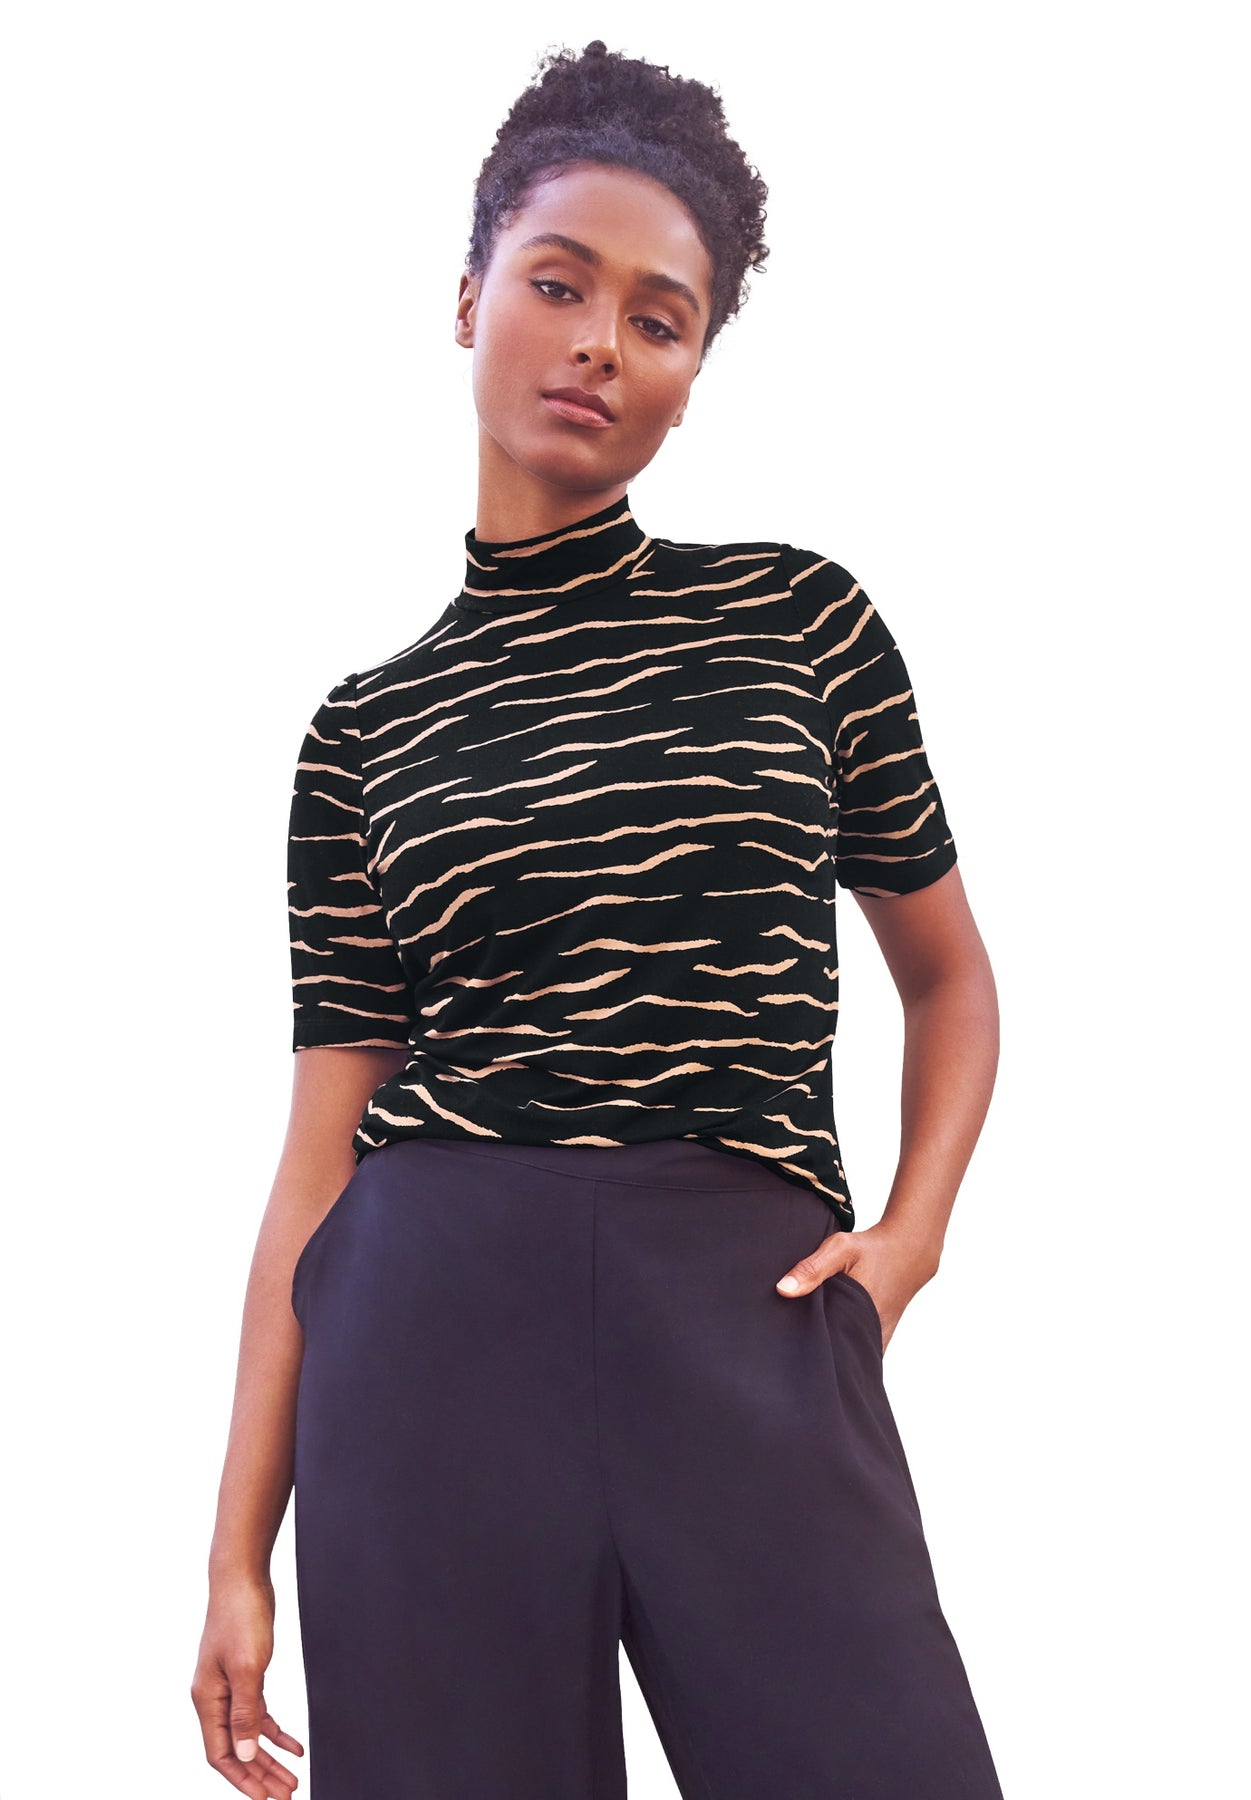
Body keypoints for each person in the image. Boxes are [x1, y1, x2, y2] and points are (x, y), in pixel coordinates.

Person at [192, 38, 1005, 1800]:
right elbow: (320, 1150)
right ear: (468, 295)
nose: (600, 344)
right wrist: (237, 1548)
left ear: (693, 374)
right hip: (430, 1318)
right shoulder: (362, 731)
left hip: (747, 1301)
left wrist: (909, 1243)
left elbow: (948, 979)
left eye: (660, 318)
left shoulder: (799, 622)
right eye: (559, 284)